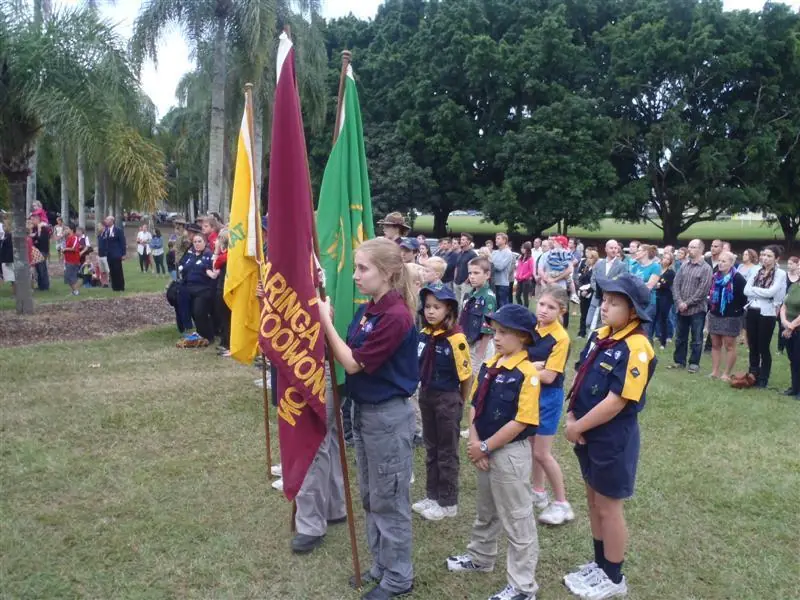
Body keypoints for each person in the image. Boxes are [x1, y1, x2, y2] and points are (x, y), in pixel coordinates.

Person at [317, 237, 419, 600]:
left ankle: (399, 576)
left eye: (363, 268)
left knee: (389, 498)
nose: (356, 275)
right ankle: (382, 563)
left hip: (387, 417)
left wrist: (325, 323)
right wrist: (330, 324)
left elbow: (352, 363)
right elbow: (351, 350)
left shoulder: (395, 317)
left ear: (388, 273)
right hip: (364, 412)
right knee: (371, 495)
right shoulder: (369, 311)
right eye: (356, 267)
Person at [563, 273, 656, 600]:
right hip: (587, 431)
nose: (604, 306)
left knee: (608, 506)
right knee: (593, 501)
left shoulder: (637, 347)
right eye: (604, 299)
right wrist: (572, 414)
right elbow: (580, 375)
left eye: (614, 303)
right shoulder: (601, 336)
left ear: (633, 312)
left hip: (612, 437)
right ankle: (600, 564)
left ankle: (614, 576)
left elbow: (617, 401)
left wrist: (578, 427)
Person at [446, 303, 541, 600]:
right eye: (495, 331)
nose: (496, 338)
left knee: (517, 518)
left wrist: (486, 446)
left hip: (509, 454)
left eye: (504, 333)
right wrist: (476, 443)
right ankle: (481, 557)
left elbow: (522, 421)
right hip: (484, 448)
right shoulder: (490, 365)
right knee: (486, 510)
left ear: (523, 337)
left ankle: (523, 586)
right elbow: (476, 404)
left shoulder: (527, 373)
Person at [413, 284, 472, 522]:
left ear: (449, 309)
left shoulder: (456, 339)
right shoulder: (424, 334)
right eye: (427, 306)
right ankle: (432, 494)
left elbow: (466, 376)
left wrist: (459, 401)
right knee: (431, 447)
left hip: (447, 398)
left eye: (436, 307)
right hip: (427, 395)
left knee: (447, 451)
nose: (430, 311)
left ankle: (448, 502)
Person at [528, 285, 573, 526]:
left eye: (551, 307)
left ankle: (562, 503)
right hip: (531, 395)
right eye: (542, 304)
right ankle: (538, 491)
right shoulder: (532, 329)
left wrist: (526, 369)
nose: (544, 310)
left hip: (548, 398)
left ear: (561, 311)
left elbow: (548, 376)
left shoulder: (561, 338)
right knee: (532, 445)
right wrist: (532, 367)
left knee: (542, 453)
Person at [744, 245, 787, 388]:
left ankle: (763, 377)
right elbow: (746, 290)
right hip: (753, 309)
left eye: (769, 256)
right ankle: (753, 373)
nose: (765, 259)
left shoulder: (780, 274)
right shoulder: (756, 270)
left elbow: (771, 292)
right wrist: (760, 291)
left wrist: (755, 290)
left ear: (776, 259)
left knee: (763, 346)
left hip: (767, 312)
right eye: (764, 255)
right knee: (753, 345)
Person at [669, 239, 713, 374]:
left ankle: (694, 363)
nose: (690, 249)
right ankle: (679, 361)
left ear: (701, 250)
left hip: (697, 310)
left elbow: (703, 290)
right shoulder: (684, 265)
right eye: (689, 247)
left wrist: (687, 303)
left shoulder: (706, 268)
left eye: (693, 247)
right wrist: (679, 301)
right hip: (681, 308)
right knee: (680, 337)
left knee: (697, 339)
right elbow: (676, 284)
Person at [707, 251, 747, 382]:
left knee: (729, 345)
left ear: (731, 263)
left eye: (724, 261)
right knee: (715, 344)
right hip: (715, 314)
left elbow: (744, 298)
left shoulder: (738, 278)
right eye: (719, 260)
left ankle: (726, 373)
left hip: (731, 316)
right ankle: (715, 371)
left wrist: (735, 309)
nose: (720, 263)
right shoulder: (715, 276)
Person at [460, 256, 497, 379]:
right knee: (466, 376)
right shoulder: (471, 294)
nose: (472, 276)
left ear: (487, 275)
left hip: (481, 345)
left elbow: (488, 328)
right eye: (470, 273)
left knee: (476, 378)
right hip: (469, 342)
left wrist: (480, 354)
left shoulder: (488, 297)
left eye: (476, 273)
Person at [176, 233, 216, 347]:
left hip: (203, 289)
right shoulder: (190, 256)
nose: (197, 244)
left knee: (199, 312)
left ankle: (208, 336)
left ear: (205, 242)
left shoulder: (209, 255)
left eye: (199, 241)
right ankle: (199, 333)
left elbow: (211, 271)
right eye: (195, 242)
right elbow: (182, 268)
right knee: (192, 311)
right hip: (189, 288)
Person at [586, 240, 628, 332]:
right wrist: (599, 290)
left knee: (604, 325)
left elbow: (621, 281)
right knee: (589, 322)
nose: (614, 250)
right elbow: (593, 280)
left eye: (615, 248)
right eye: (611, 248)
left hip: (610, 300)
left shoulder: (622, 266)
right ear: (606, 249)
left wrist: (608, 291)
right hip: (596, 298)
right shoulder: (599, 264)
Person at [629, 244, 661, 340]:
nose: (636, 252)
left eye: (638, 250)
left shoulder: (655, 266)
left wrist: (636, 285)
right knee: (632, 331)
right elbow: (629, 283)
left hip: (648, 303)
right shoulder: (635, 267)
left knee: (645, 332)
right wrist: (642, 284)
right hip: (635, 302)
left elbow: (649, 286)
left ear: (645, 253)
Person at [206, 230, 230, 356]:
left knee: (226, 317)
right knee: (225, 317)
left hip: (224, 289)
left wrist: (216, 251)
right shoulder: (228, 255)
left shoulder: (225, 256)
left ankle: (228, 344)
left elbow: (215, 265)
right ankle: (225, 341)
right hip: (223, 288)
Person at [779, 266, 800, 399]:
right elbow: (784, 305)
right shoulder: (794, 286)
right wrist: (784, 322)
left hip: (796, 328)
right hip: (789, 327)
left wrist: (791, 327)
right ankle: (794, 387)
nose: (799, 269)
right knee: (793, 359)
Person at [777, 255, 799, 354]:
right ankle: (781, 348)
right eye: (788, 263)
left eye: (791, 264)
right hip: (785, 306)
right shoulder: (787, 279)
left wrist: (791, 326)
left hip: (796, 309)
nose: (789, 266)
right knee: (782, 325)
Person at [654, 253, 676, 350]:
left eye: (668, 259)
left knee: (664, 318)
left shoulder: (670, 272)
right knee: (654, 317)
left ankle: (663, 341)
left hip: (665, 297)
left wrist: (657, 284)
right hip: (655, 295)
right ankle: (654, 336)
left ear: (670, 261)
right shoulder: (656, 269)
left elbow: (665, 284)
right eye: (664, 258)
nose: (665, 260)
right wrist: (657, 284)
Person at [576, 249, 599, 338]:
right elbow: (580, 279)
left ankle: (590, 332)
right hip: (583, 291)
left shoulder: (596, 269)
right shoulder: (586, 268)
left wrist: (588, 291)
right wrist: (581, 288)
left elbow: (594, 282)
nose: (588, 260)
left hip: (591, 293)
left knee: (590, 314)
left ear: (594, 259)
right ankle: (582, 332)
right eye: (588, 258)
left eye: (590, 258)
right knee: (583, 313)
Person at [101, 216, 126, 291]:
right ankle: (114, 287)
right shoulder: (106, 231)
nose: (106, 221)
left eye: (107, 220)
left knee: (118, 270)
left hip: (117, 254)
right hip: (109, 254)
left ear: (112, 221)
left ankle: (121, 287)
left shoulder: (118, 230)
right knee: (112, 270)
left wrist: (123, 254)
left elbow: (122, 242)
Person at [490, 233, 514, 307]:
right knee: (494, 305)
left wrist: (491, 261)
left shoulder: (508, 253)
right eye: (496, 238)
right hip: (493, 283)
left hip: (502, 284)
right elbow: (490, 266)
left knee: (502, 306)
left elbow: (500, 267)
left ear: (504, 240)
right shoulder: (495, 252)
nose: (496, 240)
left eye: (498, 238)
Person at [454, 233, 477, 306]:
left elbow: (474, 268)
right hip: (457, 282)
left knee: (463, 303)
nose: (461, 241)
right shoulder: (460, 253)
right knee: (456, 303)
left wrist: (467, 280)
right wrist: (455, 279)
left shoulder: (473, 254)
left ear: (468, 241)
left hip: (466, 283)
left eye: (463, 240)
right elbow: (457, 266)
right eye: (461, 239)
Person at [29, 213, 50, 290]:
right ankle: (40, 285)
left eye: (33, 220)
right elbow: (34, 239)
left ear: (37, 219)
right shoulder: (34, 228)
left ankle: (44, 286)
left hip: (42, 250)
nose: (31, 221)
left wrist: (36, 236)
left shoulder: (43, 228)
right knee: (38, 269)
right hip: (37, 250)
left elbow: (41, 239)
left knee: (42, 268)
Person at [514, 241, 535, 308]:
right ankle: (520, 307)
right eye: (521, 248)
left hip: (526, 281)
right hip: (519, 280)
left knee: (525, 296)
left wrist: (523, 277)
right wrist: (517, 275)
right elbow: (518, 268)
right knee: (517, 295)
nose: (522, 249)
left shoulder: (530, 259)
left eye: (524, 248)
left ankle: (525, 309)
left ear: (527, 249)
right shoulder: (520, 258)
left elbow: (531, 271)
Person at [62, 226, 82, 296]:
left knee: (71, 277)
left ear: (71, 230)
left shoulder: (74, 238)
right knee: (68, 277)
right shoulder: (67, 238)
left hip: (73, 261)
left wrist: (65, 249)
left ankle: (76, 291)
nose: (65, 230)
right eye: (65, 229)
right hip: (68, 260)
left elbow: (74, 248)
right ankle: (74, 291)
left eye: (67, 229)